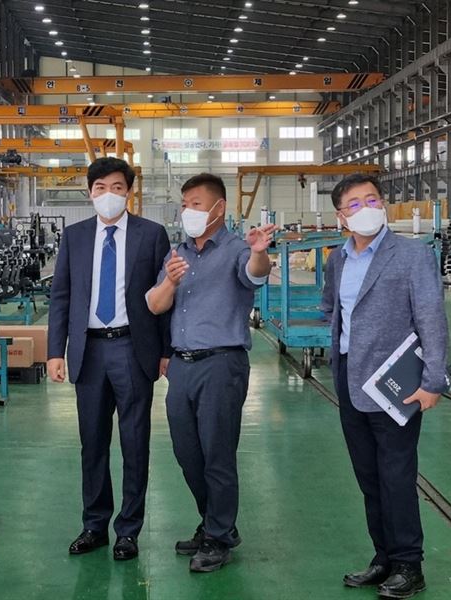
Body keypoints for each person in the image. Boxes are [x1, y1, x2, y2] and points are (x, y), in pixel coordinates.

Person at [321, 174, 450, 599]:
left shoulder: (412, 255)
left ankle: (409, 564)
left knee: (396, 475)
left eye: (372, 200)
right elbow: (331, 307)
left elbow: (431, 318)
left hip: (396, 385)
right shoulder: (338, 260)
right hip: (349, 379)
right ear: (341, 216)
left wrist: (433, 380)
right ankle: (383, 558)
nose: (367, 209)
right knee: (369, 476)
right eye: (355, 204)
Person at [146, 173, 275, 573]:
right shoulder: (177, 254)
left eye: (197, 204)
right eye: (185, 204)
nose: (188, 211)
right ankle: (215, 522)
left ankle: (218, 536)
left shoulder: (237, 249)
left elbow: (255, 274)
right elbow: (155, 305)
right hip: (181, 366)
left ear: (219, 208)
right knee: (188, 453)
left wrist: (259, 252)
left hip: (221, 363)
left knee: (217, 454)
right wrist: (170, 280)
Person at [47, 157, 171, 561]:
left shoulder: (151, 235)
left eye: (117, 187)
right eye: (100, 188)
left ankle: (128, 530)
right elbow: (61, 295)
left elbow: (166, 298)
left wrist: (165, 351)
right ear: (90, 193)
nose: (108, 195)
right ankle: (94, 525)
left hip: (133, 349)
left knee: (135, 443)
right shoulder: (76, 236)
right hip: (89, 351)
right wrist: (55, 351)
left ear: (128, 192)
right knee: (93, 443)